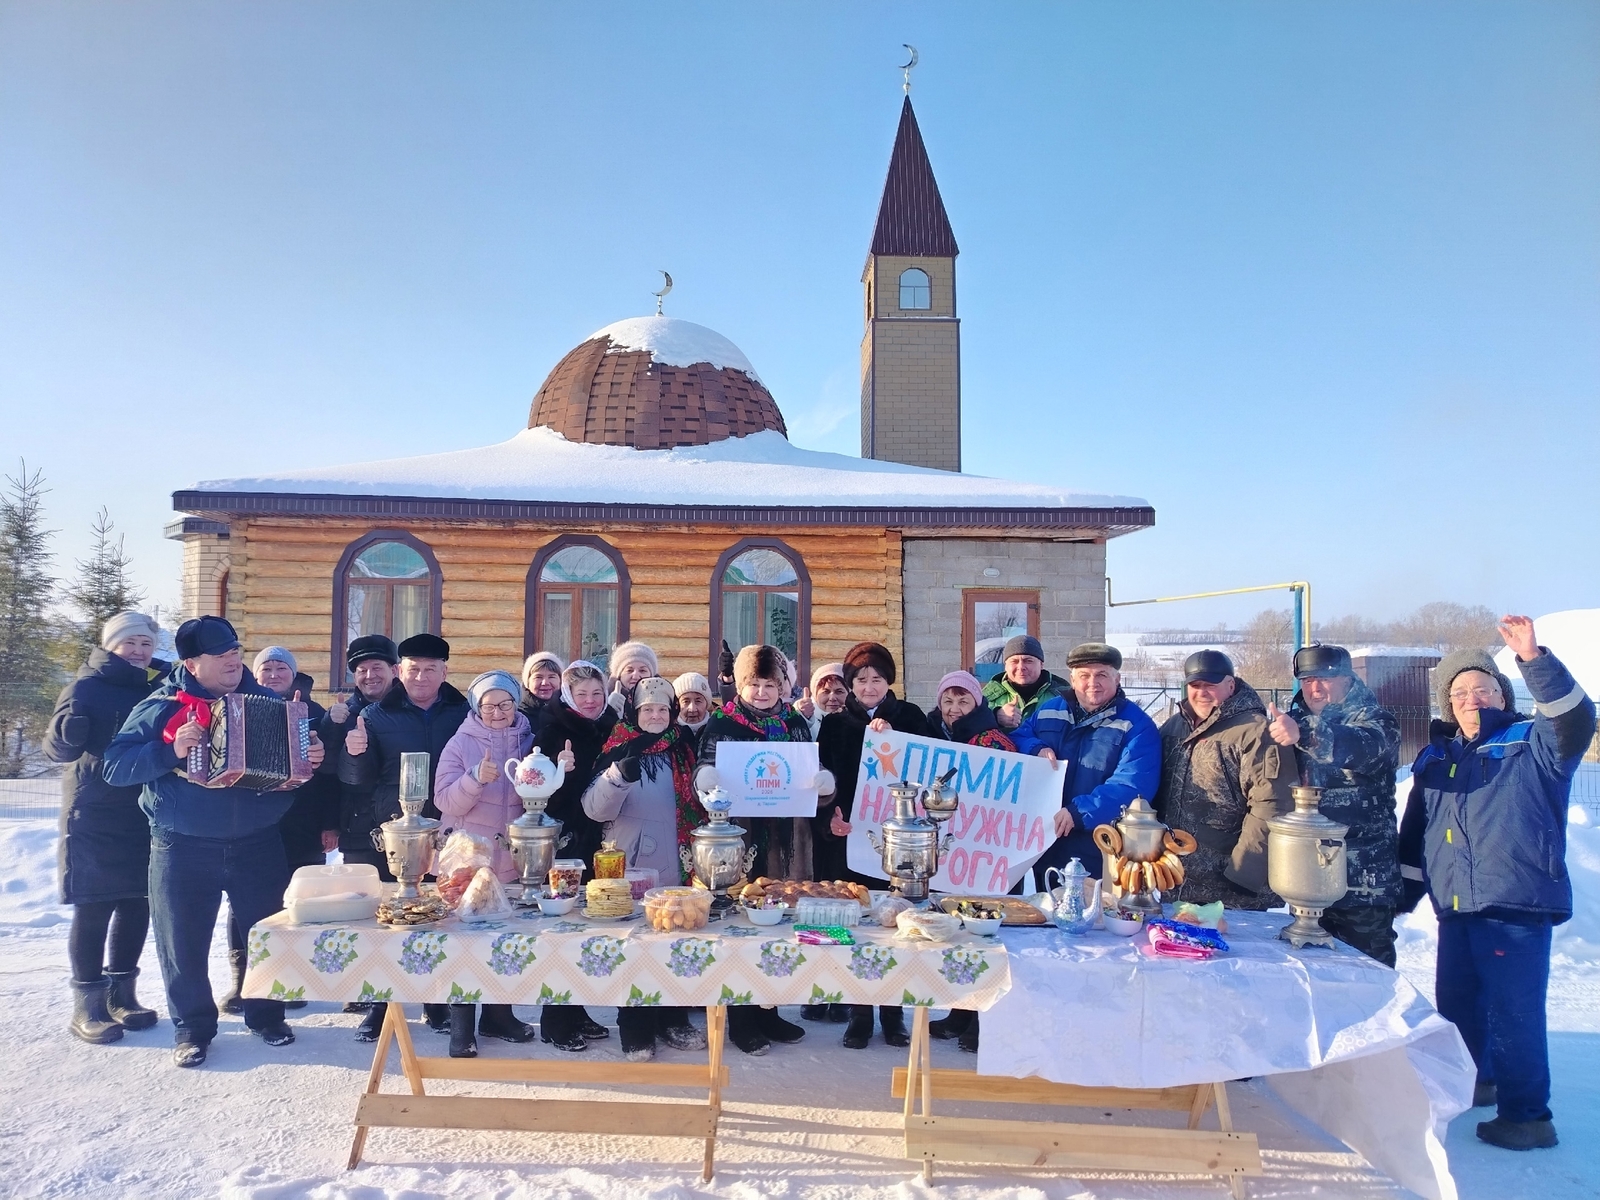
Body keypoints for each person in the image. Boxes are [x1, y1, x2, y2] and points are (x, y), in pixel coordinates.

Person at [1398, 616, 1594, 1152]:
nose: (1470, 697)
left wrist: (1534, 660)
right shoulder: (1437, 757)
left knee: (1514, 1012)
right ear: (1447, 704)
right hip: (1457, 904)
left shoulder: (1533, 742)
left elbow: (1575, 718)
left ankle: (1528, 1116)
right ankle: (1476, 1082)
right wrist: (1400, 895)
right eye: (1459, 691)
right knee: (1457, 1004)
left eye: (1482, 687)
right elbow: (1418, 835)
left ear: (1502, 693)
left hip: (1516, 902)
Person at [103, 616, 325, 1067]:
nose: (232, 661)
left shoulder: (267, 702)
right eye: (220, 655)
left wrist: (310, 755)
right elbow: (114, 766)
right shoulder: (163, 704)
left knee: (267, 936)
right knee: (182, 941)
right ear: (191, 662)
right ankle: (192, 1027)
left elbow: (294, 771)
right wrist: (169, 751)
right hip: (182, 844)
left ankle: (266, 1015)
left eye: (234, 652)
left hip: (258, 842)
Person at [696, 644, 832, 1055]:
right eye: (753, 684)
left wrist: (823, 782)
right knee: (743, 923)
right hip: (742, 837)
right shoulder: (723, 721)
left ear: (782, 686)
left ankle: (770, 1009)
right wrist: (709, 777)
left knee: (780, 923)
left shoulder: (793, 720)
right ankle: (740, 1016)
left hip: (789, 837)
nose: (761, 692)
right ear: (741, 684)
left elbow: (810, 768)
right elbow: (704, 764)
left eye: (770, 684)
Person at [45, 610, 169, 1044]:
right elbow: (57, 749)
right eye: (130, 643)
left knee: (137, 904)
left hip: (140, 812)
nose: (138, 651)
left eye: (145, 645)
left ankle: (123, 996)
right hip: (95, 813)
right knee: (95, 905)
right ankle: (87, 1005)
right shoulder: (85, 687)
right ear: (110, 645)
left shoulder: (156, 688)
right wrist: (68, 730)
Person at [340, 632, 470, 1035]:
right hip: (394, 834)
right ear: (400, 671)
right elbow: (356, 780)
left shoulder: (462, 711)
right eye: (414, 669)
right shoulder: (377, 716)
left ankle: (436, 1001)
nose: (421, 677)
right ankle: (381, 1006)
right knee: (389, 923)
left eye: (431, 669)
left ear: (445, 671)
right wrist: (355, 752)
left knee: (438, 916)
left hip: (447, 830)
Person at [584, 676, 706, 1060]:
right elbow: (594, 810)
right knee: (634, 947)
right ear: (635, 713)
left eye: (662, 709)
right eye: (647, 709)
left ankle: (673, 1017)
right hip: (633, 866)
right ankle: (634, 1025)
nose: (654, 716)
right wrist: (617, 778)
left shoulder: (684, 747)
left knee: (676, 941)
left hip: (680, 863)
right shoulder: (617, 747)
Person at [815, 641, 929, 1049]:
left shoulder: (911, 717)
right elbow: (823, 783)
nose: (868, 686)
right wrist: (830, 819)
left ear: (889, 681)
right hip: (852, 842)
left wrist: (897, 739)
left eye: (876, 678)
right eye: (860, 679)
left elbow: (933, 769)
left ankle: (894, 1014)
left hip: (901, 843)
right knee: (856, 927)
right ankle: (859, 1014)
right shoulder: (834, 724)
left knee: (896, 927)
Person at [211, 646, 332, 1015]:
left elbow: (329, 778)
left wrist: (330, 823)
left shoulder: (314, 714)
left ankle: (293, 978)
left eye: (282, 668)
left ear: (293, 675)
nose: (275, 673)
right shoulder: (234, 706)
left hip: (303, 823)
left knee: (297, 902)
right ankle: (243, 980)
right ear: (256, 673)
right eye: (267, 667)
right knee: (246, 902)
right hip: (249, 824)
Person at [1265, 644, 1402, 965]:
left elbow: (1364, 746)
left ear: (1346, 678)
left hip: (1361, 886)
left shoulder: (1376, 720)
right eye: (1307, 679)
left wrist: (1306, 733)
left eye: (1324, 679)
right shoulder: (1290, 721)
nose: (1314, 688)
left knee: (1368, 979)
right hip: (1306, 879)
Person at [431, 670, 539, 1055]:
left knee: (503, 939)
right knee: (465, 943)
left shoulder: (529, 739)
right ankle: (462, 1026)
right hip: (467, 859)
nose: (498, 712)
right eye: (489, 705)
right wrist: (474, 778)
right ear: (477, 707)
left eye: (506, 704)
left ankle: (498, 1015)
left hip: (509, 857)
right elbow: (444, 800)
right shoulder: (460, 743)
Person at [1153, 650, 1292, 909]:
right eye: (1195, 685)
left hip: (1229, 887)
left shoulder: (1255, 732)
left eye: (1210, 685)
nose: (1202, 692)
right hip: (1174, 880)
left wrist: (1244, 874)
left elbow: (1272, 805)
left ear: (1230, 685)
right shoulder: (1173, 727)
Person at [1013, 643, 1162, 882]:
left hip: (1098, 845)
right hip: (1044, 841)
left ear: (1118, 679)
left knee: (1089, 912)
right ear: (1072, 680)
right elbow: (1018, 737)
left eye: (1102, 674)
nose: (1093, 682)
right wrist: (1036, 747)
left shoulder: (1137, 725)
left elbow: (1133, 785)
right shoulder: (1049, 711)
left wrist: (1080, 811)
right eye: (1084, 675)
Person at [530, 660, 614, 1052]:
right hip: (567, 840)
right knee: (563, 928)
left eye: (597, 694)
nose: (592, 701)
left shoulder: (611, 723)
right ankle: (554, 1019)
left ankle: (577, 1008)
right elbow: (535, 794)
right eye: (583, 695)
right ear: (568, 695)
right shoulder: (552, 730)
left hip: (601, 838)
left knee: (590, 928)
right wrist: (558, 773)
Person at [322, 634, 402, 876]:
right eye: (361, 670)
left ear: (395, 670)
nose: (370, 676)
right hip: (359, 831)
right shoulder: (343, 715)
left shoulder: (411, 709)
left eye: (377, 667)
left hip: (405, 828)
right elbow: (326, 775)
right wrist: (331, 725)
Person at [982, 634, 1071, 733]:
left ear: (1041, 665)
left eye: (1028, 661)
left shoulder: (1063, 696)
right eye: (1014, 661)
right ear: (1006, 666)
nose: (1021, 667)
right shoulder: (986, 697)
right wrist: (995, 717)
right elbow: (968, 728)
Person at [928, 669, 1017, 752]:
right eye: (948, 701)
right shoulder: (927, 733)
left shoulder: (992, 742)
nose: (954, 709)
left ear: (975, 705)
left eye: (963, 702)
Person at [796, 662, 848, 740]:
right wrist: (800, 716)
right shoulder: (805, 715)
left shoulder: (857, 720)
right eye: (825, 692)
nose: (832, 698)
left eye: (839, 691)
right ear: (815, 695)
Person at [606, 640, 659, 714]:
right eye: (629, 670)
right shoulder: (601, 699)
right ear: (619, 675)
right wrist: (609, 711)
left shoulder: (664, 701)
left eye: (642, 670)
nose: (635, 676)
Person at [518, 650, 564, 727]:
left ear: (560, 680)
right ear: (528, 682)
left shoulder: (568, 711)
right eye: (538, 677)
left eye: (551, 677)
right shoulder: (517, 715)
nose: (545, 683)